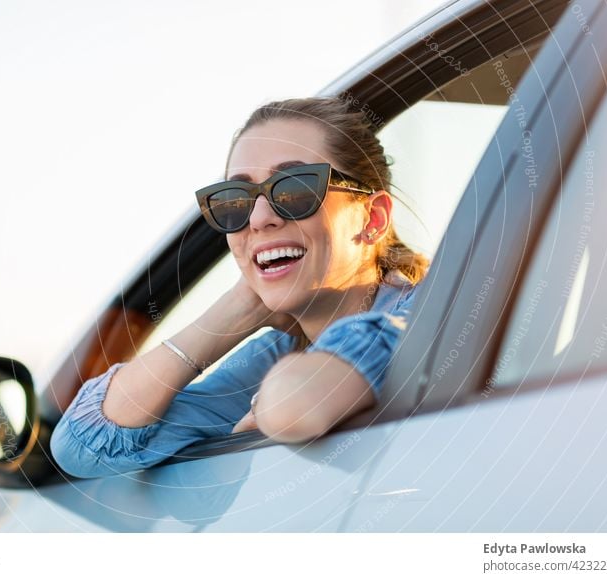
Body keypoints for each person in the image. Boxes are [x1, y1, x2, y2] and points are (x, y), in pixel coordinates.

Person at [50, 97, 428, 478]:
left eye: (295, 189)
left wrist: (271, 406)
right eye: (234, 201)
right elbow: (81, 445)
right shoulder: (274, 352)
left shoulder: (426, 312)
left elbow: (297, 402)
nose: (259, 219)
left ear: (373, 217)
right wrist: (240, 307)